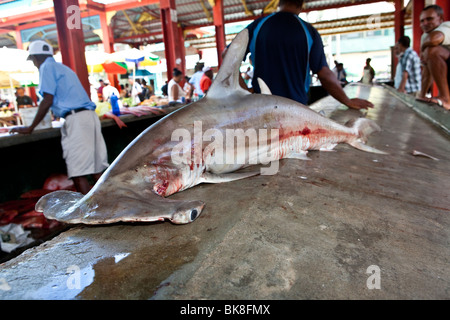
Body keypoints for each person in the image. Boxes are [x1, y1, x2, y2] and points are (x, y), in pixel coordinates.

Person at [10, 40, 109, 194]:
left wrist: (30, 127)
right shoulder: (64, 68)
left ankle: (88, 215)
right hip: (89, 117)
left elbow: (47, 100)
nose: (35, 65)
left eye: (34, 61)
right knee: (97, 170)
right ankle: (110, 207)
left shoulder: (46, 67)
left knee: (78, 173)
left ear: (36, 58)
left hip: (76, 120)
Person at [243, 0, 373, 110]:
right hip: (296, 109)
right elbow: (324, 74)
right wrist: (347, 101)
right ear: (301, 5)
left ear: (279, 2)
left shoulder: (257, 26)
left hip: (260, 109)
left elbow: (227, 55)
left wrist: (243, 94)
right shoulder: (307, 31)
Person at [418, 5, 450, 110]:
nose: (425, 23)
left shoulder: (446, 26)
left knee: (432, 50)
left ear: (440, 19)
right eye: (422, 21)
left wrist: (423, 50)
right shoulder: (425, 37)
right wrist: (422, 95)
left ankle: (446, 98)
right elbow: (427, 71)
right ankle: (446, 98)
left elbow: (434, 39)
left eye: (429, 19)